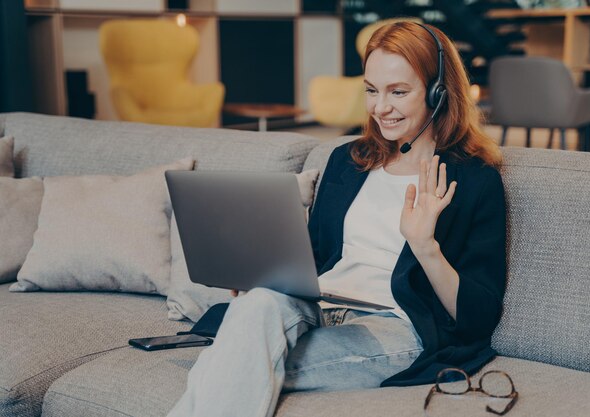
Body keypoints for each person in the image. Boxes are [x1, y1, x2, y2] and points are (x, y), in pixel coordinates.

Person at [168, 21, 506, 417]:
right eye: (371, 90)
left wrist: (425, 247)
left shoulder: (474, 179)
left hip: (394, 327)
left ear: (438, 93)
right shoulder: (348, 160)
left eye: (398, 91)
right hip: (317, 305)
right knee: (257, 307)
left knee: (234, 362)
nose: (381, 107)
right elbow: (308, 258)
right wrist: (259, 276)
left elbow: (478, 316)